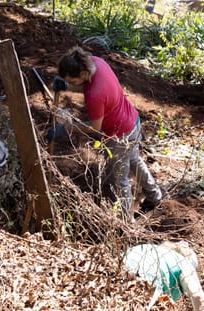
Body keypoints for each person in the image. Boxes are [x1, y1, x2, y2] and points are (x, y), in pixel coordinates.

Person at [55, 46, 162, 216]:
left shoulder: (95, 95)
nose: (73, 85)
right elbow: (83, 81)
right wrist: (66, 85)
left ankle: (126, 223)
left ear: (83, 74)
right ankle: (154, 195)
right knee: (134, 160)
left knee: (119, 180)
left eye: (73, 82)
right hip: (133, 121)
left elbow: (94, 127)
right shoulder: (97, 62)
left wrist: (67, 128)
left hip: (120, 135)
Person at [123, 241, 204, 311]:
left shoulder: (149, 249)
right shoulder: (185, 263)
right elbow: (198, 296)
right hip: (147, 285)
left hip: (117, 272)